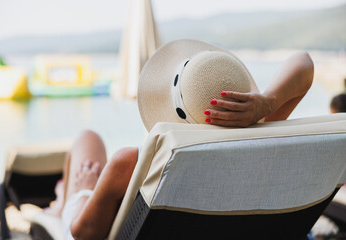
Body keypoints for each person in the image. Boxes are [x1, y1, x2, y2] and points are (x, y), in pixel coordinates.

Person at [45, 39, 314, 240]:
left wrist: (84, 191)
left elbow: (84, 233)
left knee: (87, 140)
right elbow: (304, 63)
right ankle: (61, 202)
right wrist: (267, 103)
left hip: (91, 222)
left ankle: (62, 203)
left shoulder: (133, 163)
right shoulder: (264, 145)